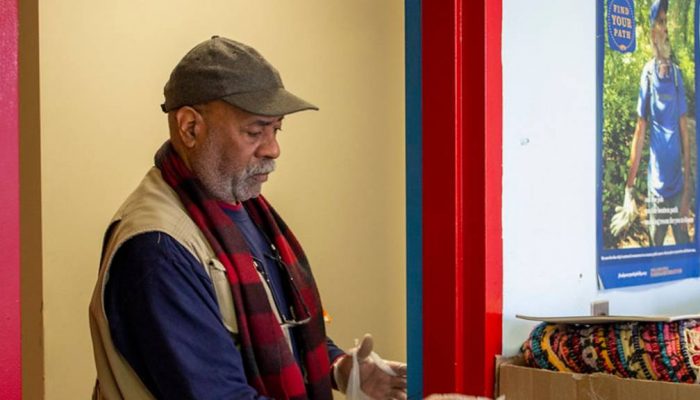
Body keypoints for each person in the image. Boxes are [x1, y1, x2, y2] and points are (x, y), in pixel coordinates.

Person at [89, 36, 407, 400]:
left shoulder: (239, 207)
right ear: (190, 127)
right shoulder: (157, 250)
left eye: (276, 130)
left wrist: (337, 368)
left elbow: (275, 329)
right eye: (255, 131)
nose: (273, 149)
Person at [610, 0, 693, 246]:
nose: (665, 29)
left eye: (666, 22)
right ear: (651, 31)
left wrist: (688, 186)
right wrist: (629, 189)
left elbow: (685, 134)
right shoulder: (647, 75)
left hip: (678, 190)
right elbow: (639, 130)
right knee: (655, 251)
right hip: (656, 192)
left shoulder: (677, 76)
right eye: (660, 22)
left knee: (684, 250)